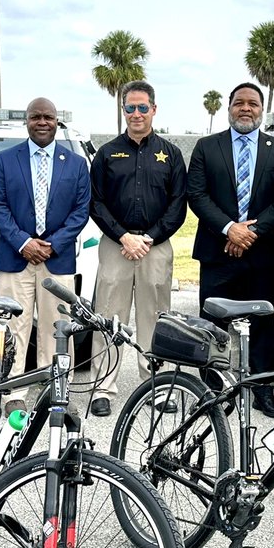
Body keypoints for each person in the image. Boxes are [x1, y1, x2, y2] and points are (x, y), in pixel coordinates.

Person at [187, 81, 274, 416]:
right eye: (239, 103)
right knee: (212, 323)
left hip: (262, 253)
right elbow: (197, 194)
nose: (245, 108)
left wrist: (251, 232)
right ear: (229, 107)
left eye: (252, 103)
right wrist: (229, 229)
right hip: (216, 251)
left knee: (263, 323)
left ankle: (262, 389)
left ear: (262, 110)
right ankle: (214, 392)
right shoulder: (207, 147)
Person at [88, 80, 187, 416]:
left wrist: (149, 238)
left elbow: (178, 204)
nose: (136, 113)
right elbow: (96, 202)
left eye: (142, 107)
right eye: (129, 107)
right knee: (109, 316)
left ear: (154, 109)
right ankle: (103, 387)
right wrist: (123, 236)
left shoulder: (171, 154)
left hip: (154, 246)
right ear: (123, 111)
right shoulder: (107, 153)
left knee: (155, 317)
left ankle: (157, 385)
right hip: (116, 245)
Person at [0, 97, 91, 412]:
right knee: (11, 328)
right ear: (27, 121)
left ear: (56, 121)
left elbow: (81, 210)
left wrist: (53, 244)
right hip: (15, 257)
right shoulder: (6, 160)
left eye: (48, 117)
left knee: (58, 326)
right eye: (36, 117)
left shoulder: (74, 163)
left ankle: (56, 389)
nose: (42, 122)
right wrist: (24, 242)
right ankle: (12, 393)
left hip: (57, 258)